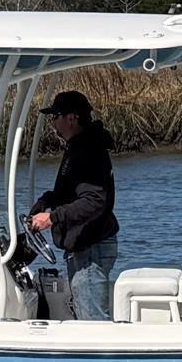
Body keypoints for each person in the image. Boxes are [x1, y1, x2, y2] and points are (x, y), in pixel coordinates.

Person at [29, 90, 119, 320]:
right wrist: (47, 201)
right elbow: (72, 193)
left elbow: (94, 201)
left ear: (71, 118)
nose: (52, 123)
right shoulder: (79, 147)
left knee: (93, 323)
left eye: (55, 116)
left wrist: (51, 218)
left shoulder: (88, 150)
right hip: (86, 248)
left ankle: (101, 356)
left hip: (90, 250)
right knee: (88, 318)